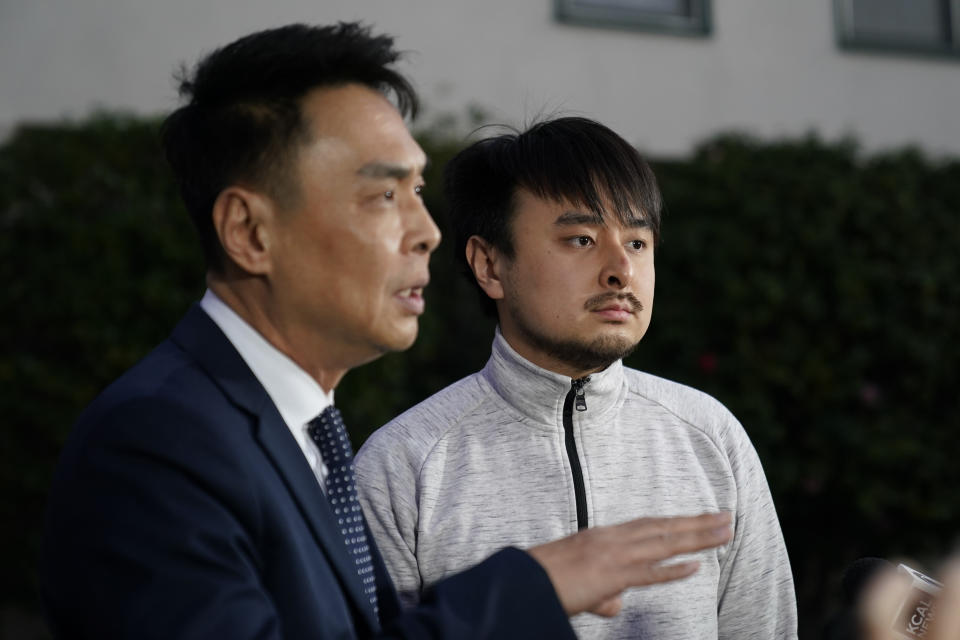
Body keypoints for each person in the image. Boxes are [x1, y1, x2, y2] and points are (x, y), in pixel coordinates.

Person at [39, 23, 734, 640]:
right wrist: (531, 587)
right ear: (250, 231)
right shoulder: (156, 444)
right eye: (381, 195)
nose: (427, 232)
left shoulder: (300, 435)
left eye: (418, 194)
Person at [355, 117, 798, 639]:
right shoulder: (402, 468)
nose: (620, 271)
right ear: (489, 265)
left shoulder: (711, 438)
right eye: (581, 239)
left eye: (637, 243)